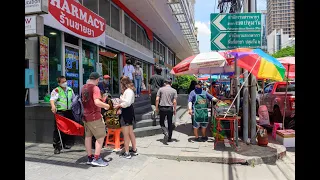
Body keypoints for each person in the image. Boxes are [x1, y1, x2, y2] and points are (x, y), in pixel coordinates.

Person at [81, 72, 110, 167]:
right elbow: (97, 102)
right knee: (101, 136)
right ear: (97, 79)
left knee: (88, 137)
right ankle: (96, 158)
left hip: (86, 116)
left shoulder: (84, 87)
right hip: (94, 117)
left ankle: (90, 157)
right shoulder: (95, 88)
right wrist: (106, 105)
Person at [50, 76, 75, 154]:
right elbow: (52, 99)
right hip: (60, 112)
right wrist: (53, 106)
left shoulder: (70, 90)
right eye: (63, 82)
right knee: (58, 130)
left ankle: (65, 144)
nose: (65, 83)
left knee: (67, 128)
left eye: (65, 81)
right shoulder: (57, 90)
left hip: (69, 111)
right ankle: (57, 147)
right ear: (59, 83)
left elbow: (74, 99)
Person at [114, 76, 138, 159]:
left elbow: (126, 103)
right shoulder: (130, 91)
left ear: (123, 83)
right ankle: (134, 149)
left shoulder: (128, 91)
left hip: (126, 111)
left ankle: (127, 152)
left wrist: (119, 104)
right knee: (130, 132)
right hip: (129, 111)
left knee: (126, 133)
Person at [155, 79, 178, 143]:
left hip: (162, 108)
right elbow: (174, 101)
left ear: (165, 83)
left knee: (161, 122)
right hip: (170, 108)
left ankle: (165, 131)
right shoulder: (174, 90)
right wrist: (175, 109)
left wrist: (156, 108)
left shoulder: (161, 89)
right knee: (170, 123)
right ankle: (169, 138)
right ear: (171, 84)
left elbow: (157, 99)